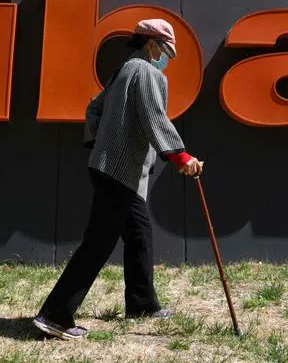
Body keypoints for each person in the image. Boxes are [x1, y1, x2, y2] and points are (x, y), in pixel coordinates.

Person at [33, 19, 203, 341]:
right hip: (119, 171)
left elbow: (93, 109)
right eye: (165, 50)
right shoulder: (147, 72)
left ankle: (142, 304)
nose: (165, 58)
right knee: (98, 242)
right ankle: (55, 314)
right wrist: (181, 157)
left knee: (139, 234)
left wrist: (99, 142)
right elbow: (155, 115)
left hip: (111, 167)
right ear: (151, 44)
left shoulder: (122, 71)